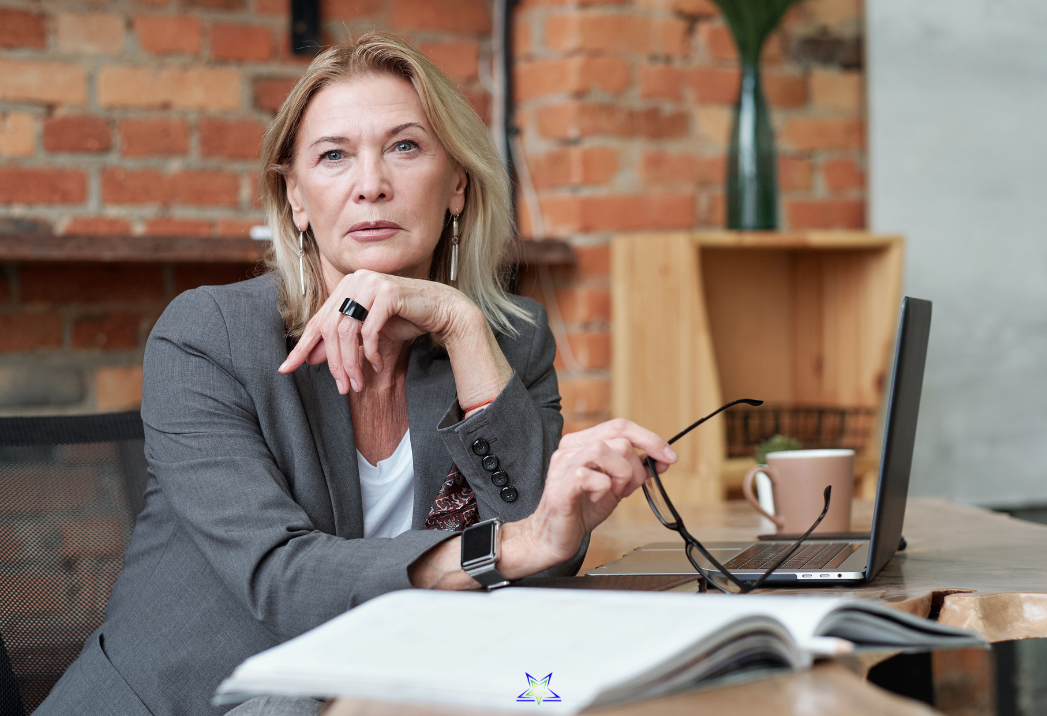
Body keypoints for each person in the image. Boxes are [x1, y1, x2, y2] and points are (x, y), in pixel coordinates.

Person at [35, 32, 676, 716]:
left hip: (377, 696)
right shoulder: (207, 338)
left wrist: (460, 325)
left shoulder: (508, 339)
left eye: (405, 147)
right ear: (297, 201)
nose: (371, 184)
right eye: (334, 156)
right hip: (191, 702)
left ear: (456, 184)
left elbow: (543, 550)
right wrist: (506, 548)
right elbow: (283, 579)